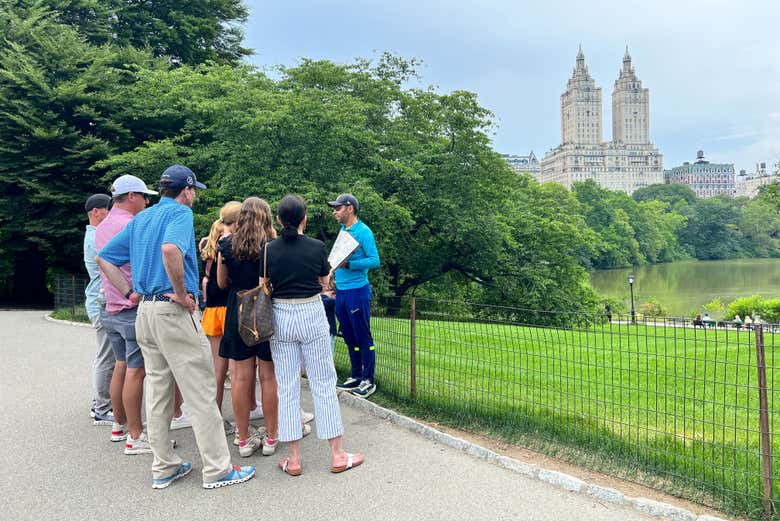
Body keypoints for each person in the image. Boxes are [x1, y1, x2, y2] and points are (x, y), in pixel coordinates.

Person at [97, 164, 254, 490]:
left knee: (158, 392)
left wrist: (129, 292)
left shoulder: (141, 218)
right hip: (172, 313)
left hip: (145, 315)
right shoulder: (179, 215)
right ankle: (217, 469)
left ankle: (164, 466)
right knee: (200, 390)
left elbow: (105, 258)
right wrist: (182, 294)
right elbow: (170, 250)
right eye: (194, 190)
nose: (194, 196)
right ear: (187, 189)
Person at [266, 194, 363, 476]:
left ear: (280, 220)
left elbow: (265, 283)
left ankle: (294, 459)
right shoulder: (318, 247)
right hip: (311, 312)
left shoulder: (269, 249)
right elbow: (323, 281)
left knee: (287, 385)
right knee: (323, 381)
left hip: (281, 315)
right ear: (304, 219)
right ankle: (337, 454)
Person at [95, 175, 156, 453]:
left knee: (121, 365)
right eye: (144, 196)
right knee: (136, 371)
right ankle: (136, 435)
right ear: (131, 196)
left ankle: (119, 426)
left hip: (110, 307)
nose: (147, 201)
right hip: (131, 307)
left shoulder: (104, 224)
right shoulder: (132, 225)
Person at [217, 197, 280, 457]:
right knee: (268, 376)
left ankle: (243, 440)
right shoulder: (272, 247)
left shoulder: (226, 245)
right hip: (264, 310)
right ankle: (272, 436)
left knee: (241, 377)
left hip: (237, 308)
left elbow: (221, 283)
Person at [328, 194, 380, 397]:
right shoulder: (343, 230)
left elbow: (375, 260)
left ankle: (369, 380)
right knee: (349, 335)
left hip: (358, 290)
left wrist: (350, 264)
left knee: (362, 335)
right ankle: (356, 375)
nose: (334, 212)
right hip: (341, 290)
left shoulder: (364, 232)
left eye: (338, 208)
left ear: (349, 209)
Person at [200, 201, 241, 412]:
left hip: (212, 309)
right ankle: (244, 410)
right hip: (229, 308)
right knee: (237, 368)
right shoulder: (232, 244)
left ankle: (214, 412)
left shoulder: (209, 244)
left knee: (218, 367)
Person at [83, 193, 115, 425]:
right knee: (107, 357)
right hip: (100, 302)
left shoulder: (92, 235)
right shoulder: (96, 237)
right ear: (97, 212)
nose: (111, 214)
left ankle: (100, 403)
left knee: (105, 356)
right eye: (108, 209)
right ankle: (102, 409)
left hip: (96, 301)